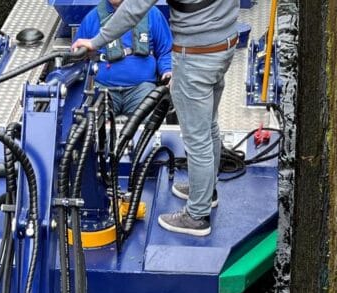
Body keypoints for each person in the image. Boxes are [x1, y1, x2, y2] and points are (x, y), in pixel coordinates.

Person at [73, 0, 240, 237]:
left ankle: (196, 216)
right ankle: (205, 191)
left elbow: (132, 9)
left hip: (195, 56)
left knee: (197, 139)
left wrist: (95, 42)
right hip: (223, 47)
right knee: (209, 124)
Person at [74, 0, 172, 117]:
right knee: (93, 124)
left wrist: (167, 70)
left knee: (148, 123)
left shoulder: (152, 14)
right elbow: (77, 58)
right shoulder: (91, 18)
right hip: (103, 89)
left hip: (141, 89)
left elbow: (166, 51)